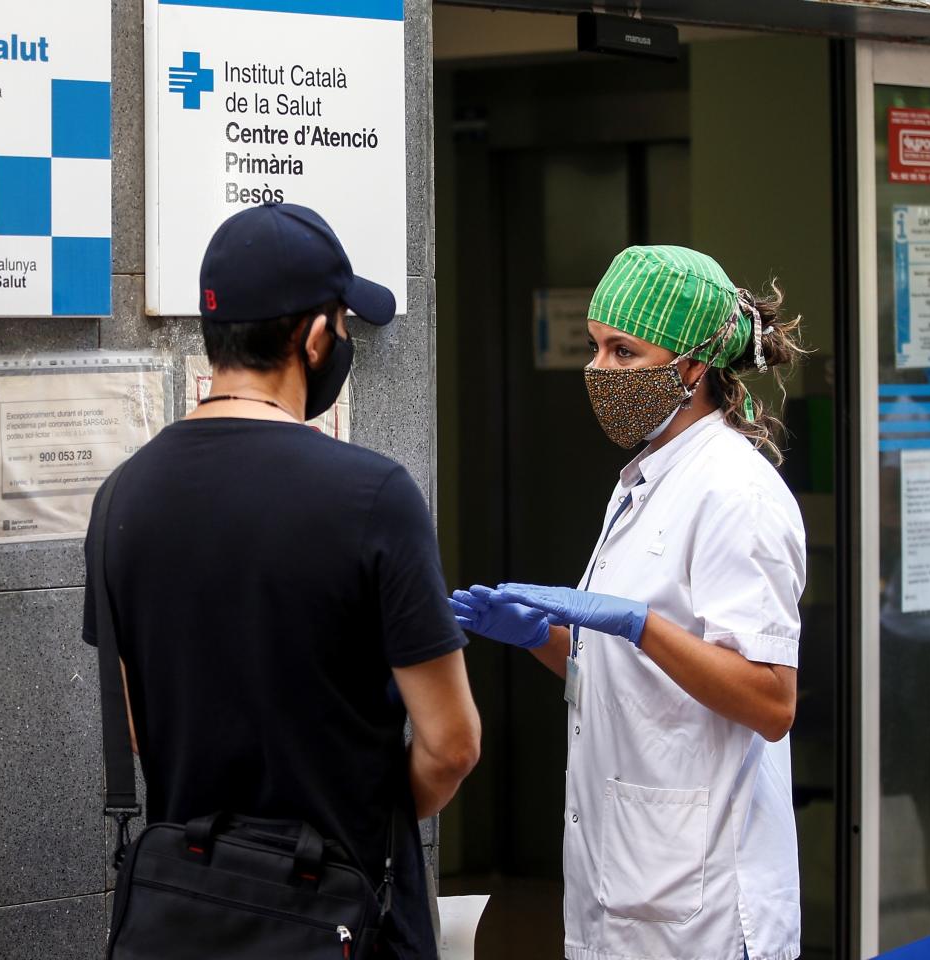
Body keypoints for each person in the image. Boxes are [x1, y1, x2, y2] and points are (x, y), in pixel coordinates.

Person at [85, 202, 481, 959]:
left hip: (189, 918)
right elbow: (452, 743)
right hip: (342, 918)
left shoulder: (122, 498)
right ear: (314, 335)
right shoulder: (373, 497)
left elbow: (138, 726)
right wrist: (371, 818)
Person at [453, 245, 808, 960]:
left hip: (703, 910)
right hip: (625, 890)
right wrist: (542, 639)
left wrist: (643, 627)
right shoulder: (643, 480)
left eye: (623, 350)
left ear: (691, 367)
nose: (599, 370)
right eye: (595, 347)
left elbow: (771, 702)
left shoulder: (735, 492)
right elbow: (630, 682)